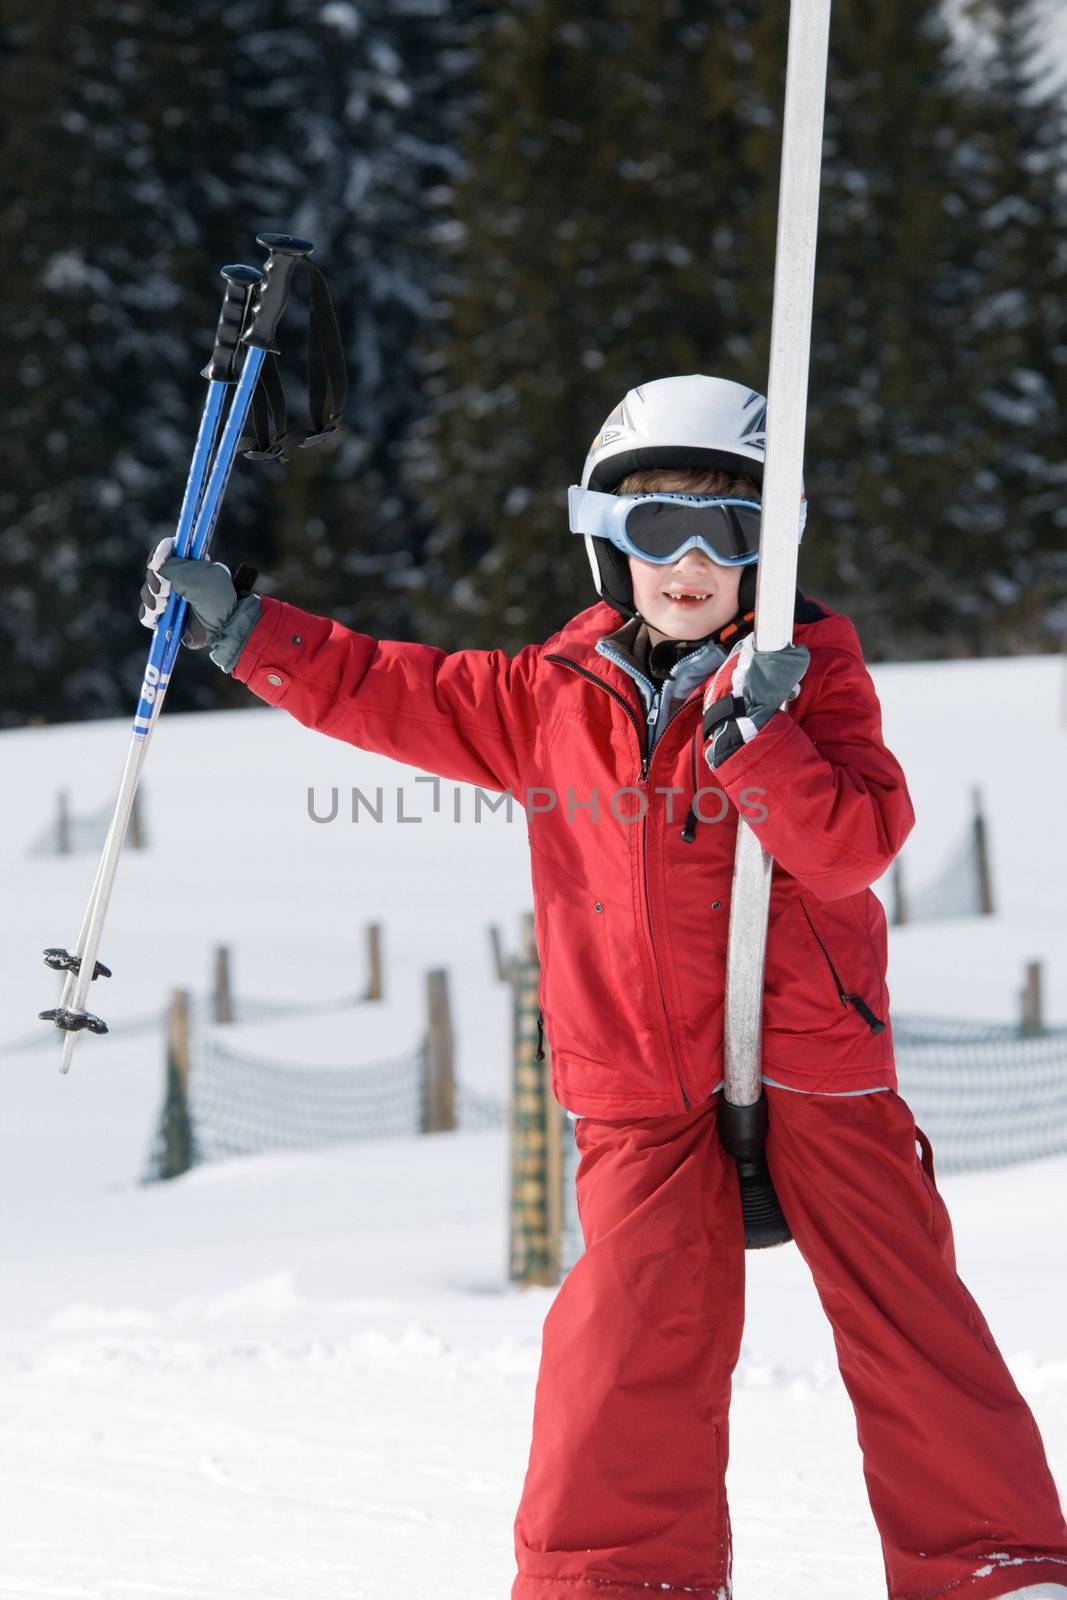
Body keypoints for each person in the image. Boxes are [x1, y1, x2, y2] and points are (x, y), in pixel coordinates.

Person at [142, 374, 1067, 1600]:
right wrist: (250, 633)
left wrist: (763, 745)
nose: (687, 562)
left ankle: (990, 1564)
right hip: (634, 1074)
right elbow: (386, 690)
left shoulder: (808, 675)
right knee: (624, 1346)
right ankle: (618, 1580)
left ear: (766, 553)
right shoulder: (545, 696)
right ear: (602, 541)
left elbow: (852, 846)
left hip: (813, 1058)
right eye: (652, 530)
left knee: (908, 1321)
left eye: (724, 533)